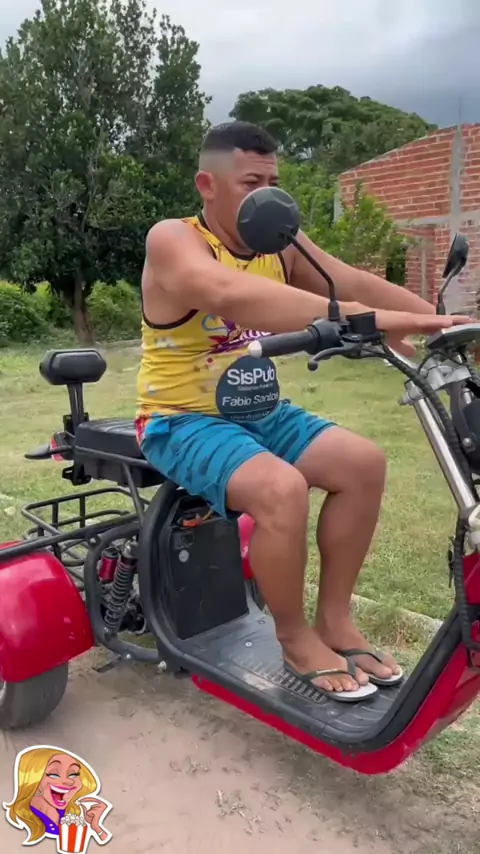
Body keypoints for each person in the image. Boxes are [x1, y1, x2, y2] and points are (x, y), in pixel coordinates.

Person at [135, 120, 471, 702]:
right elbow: (230, 294)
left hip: (259, 411)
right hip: (180, 418)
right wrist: (385, 321)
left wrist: (441, 322)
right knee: (282, 490)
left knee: (362, 464)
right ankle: (294, 639)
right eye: (251, 183)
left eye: (274, 182)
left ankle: (334, 621)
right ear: (207, 185)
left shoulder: (281, 243)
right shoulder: (174, 240)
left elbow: (347, 280)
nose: (267, 197)